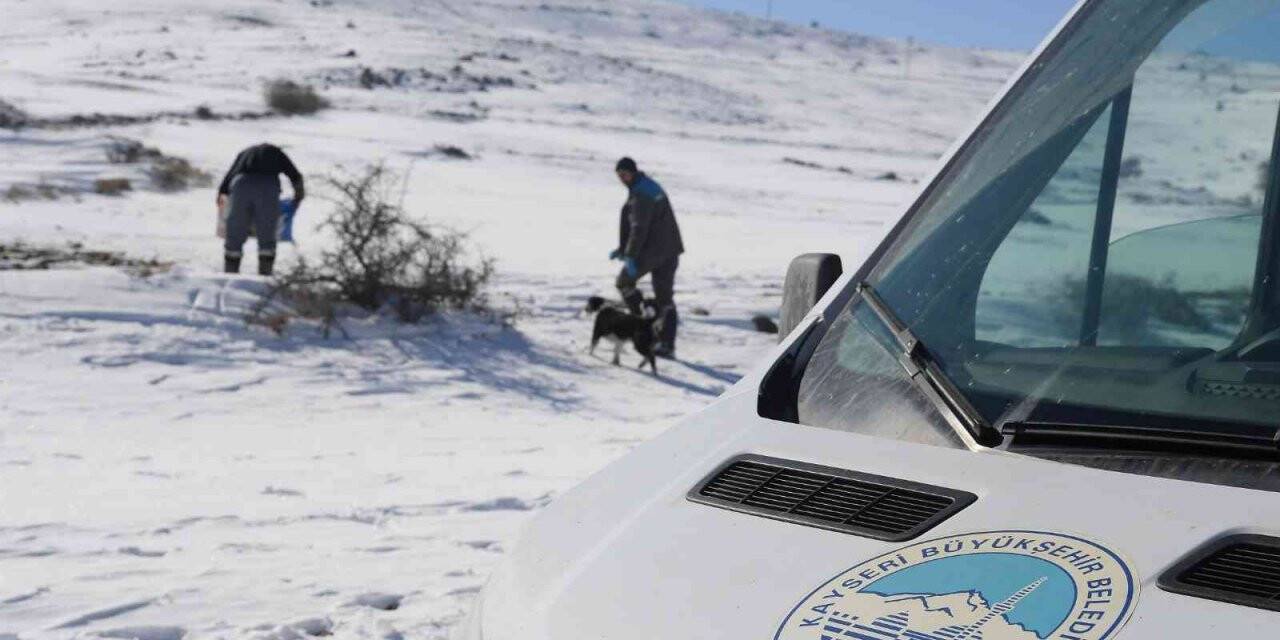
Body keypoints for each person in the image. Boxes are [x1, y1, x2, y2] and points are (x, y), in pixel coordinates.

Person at [610, 157, 684, 358]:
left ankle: (642, 326)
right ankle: (664, 341)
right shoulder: (644, 186)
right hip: (668, 249)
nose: (622, 178)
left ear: (633, 172)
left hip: (654, 252)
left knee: (624, 282)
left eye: (624, 174)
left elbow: (639, 227)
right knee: (664, 296)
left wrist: (630, 256)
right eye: (619, 175)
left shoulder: (642, 193)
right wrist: (623, 248)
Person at [216, 143, 304, 276]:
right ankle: (264, 276)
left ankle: (230, 272)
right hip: (267, 187)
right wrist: (298, 196)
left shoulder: (244, 152)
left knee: (236, 230)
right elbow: (295, 175)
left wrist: (221, 194)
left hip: (240, 185)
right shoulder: (276, 152)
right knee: (267, 230)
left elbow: (229, 176)